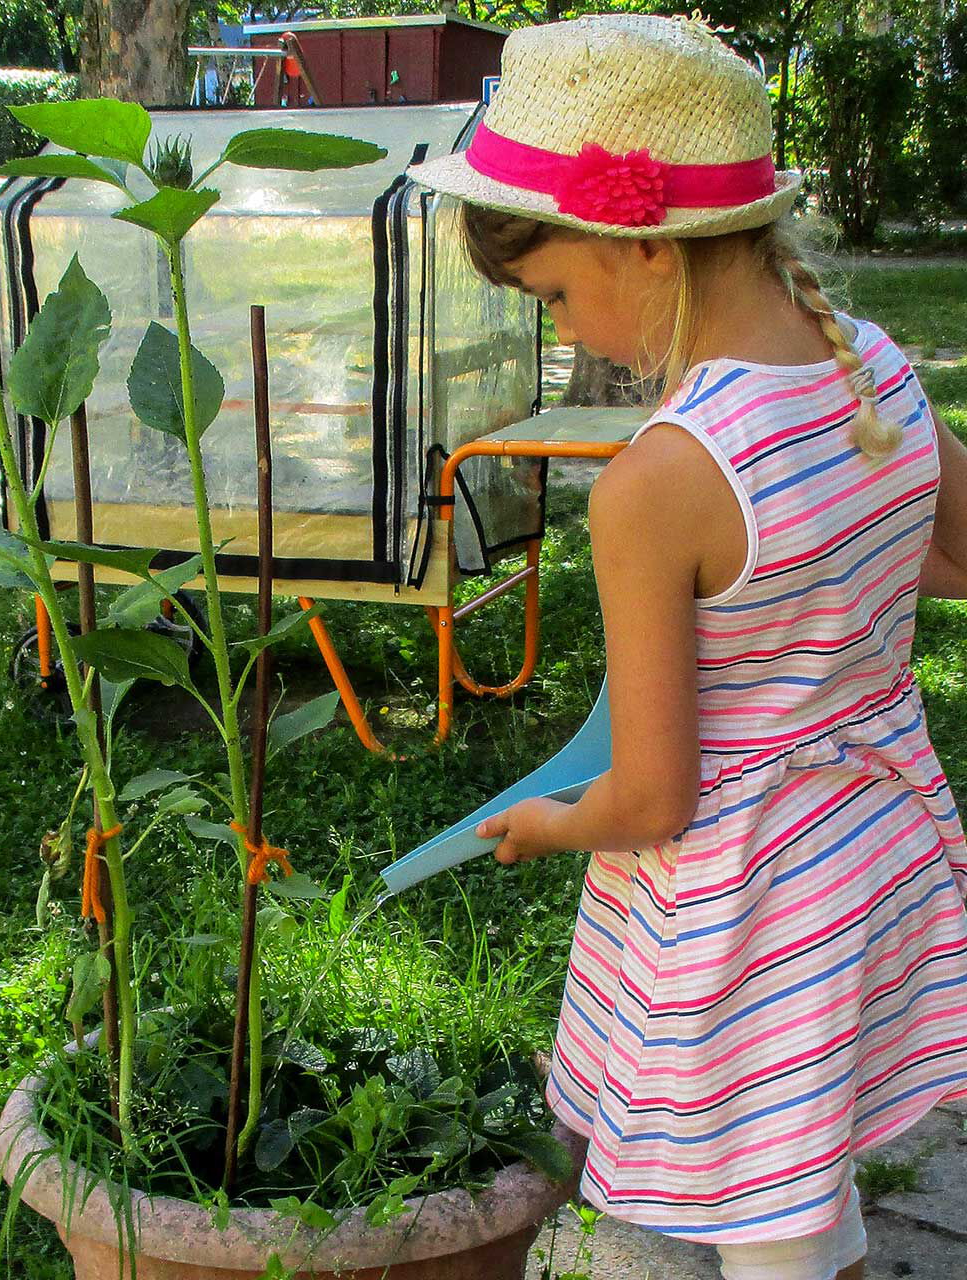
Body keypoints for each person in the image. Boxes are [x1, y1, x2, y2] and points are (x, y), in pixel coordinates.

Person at [407, 14, 967, 1280]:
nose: (561, 330)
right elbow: (949, 556)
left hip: (743, 907)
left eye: (554, 293)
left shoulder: (658, 480)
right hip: (870, 858)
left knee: (750, 1206)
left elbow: (653, 794)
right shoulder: (869, 365)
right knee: (802, 1152)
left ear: (642, 241)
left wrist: (545, 823)